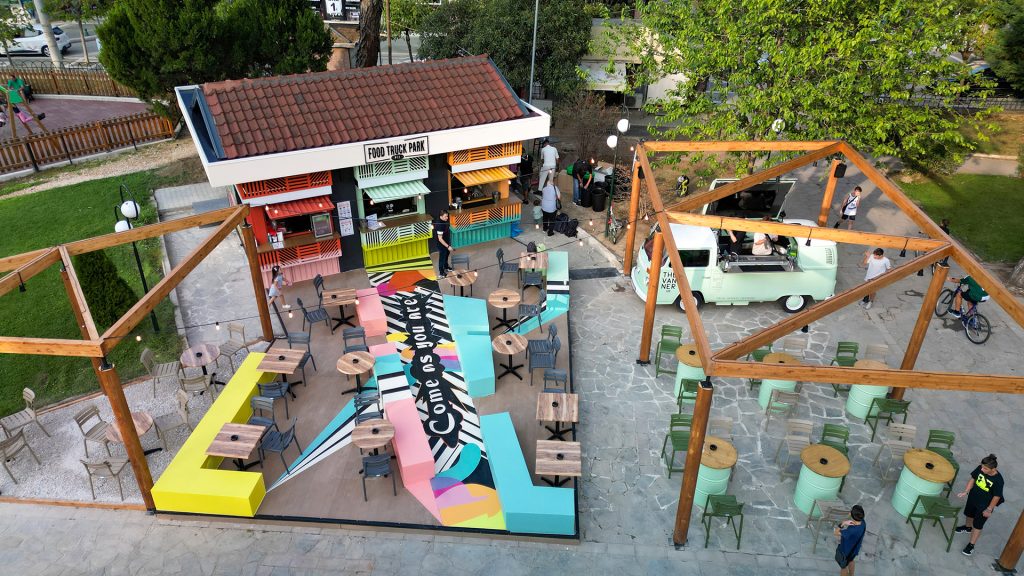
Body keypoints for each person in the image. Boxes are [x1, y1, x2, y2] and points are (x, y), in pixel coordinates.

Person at [956, 454, 1004, 556]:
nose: (982, 469)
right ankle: (968, 527)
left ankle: (971, 545)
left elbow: (996, 496)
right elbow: (973, 479)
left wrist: (989, 509)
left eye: (985, 469)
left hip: (984, 506)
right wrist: (966, 491)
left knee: (978, 525)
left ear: (993, 469)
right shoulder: (981, 468)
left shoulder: (999, 480)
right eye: (982, 467)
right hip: (973, 498)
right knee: (969, 514)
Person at [834, 505, 866, 575]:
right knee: (851, 561)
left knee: (843, 567)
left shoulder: (851, 531)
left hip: (846, 551)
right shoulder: (863, 522)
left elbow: (836, 533)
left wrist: (843, 523)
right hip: (854, 549)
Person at [434, 210, 454, 276]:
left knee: (447, 254)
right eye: (445, 216)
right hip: (441, 244)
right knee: (442, 258)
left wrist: (448, 245)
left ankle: (446, 267)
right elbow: (440, 239)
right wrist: (448, 246)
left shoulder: (444, 221)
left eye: (447, 216)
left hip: (446, 241)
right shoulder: (439, 225)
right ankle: (441, 272)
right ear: (441, 216)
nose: (447, 218)